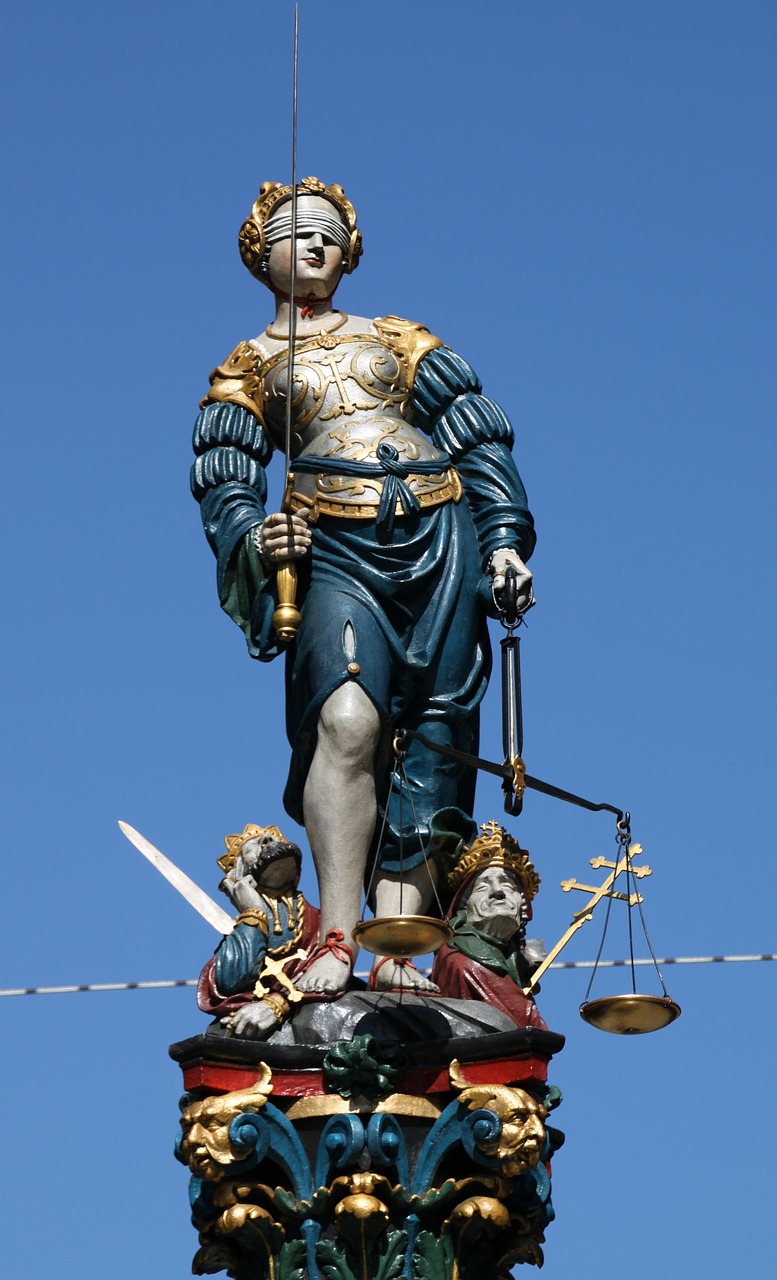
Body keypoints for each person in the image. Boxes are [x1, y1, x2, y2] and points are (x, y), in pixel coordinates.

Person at [192, 177, 536, 997]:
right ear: (258, 255)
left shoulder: (400, 338)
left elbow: (476, 435)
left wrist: (503, 539)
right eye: (295, 233)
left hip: (437, 536)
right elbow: (226, 478)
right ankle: (338, 935)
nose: (314, 245)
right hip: (334, 549)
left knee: (430, 739)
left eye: (328, 234)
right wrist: (252, 536)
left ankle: (397, 942)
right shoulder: (246, 369)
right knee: (346, 722)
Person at [198, 824, 319, 1038]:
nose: (267, 841)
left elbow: (334, 962)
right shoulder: (243, 927)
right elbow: (231, 982)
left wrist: (278, 1003)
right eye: (252, 846)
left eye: (273, 837)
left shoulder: (323, 919)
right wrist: (252, 913)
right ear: (239, 875)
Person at [430, 821, 547, 1030]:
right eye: (484, 885)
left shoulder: (511, 956)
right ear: (465, 906)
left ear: (522, 905)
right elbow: (524, 1022)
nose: (498, 891)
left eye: (508, 885)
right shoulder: (462, 961)